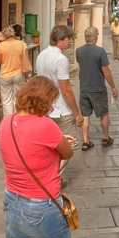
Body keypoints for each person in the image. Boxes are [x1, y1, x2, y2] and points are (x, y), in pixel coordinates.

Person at [0, 76, 74, 238]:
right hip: (40, 205)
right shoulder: (46, 125)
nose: (52, 106)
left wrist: (56, 139)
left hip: (11, 200)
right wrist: (60, 140)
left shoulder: (6, 121)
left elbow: (27, 146)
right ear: (44, 101)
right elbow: (67, 152)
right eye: (52, 101)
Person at [36, 26, 83, 175]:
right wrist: (77, 113)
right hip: (61, 109)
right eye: (68, 39)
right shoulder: (61, 59)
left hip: (45, 107)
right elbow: (66, 89)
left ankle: (49, 173)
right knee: (71, 145)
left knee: (51, 145)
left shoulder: (41, 55)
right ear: (60, 39)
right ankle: (52, 176)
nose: (70, 42)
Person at [76, 27, 118, 151]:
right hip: (98, 89)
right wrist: (113, 87)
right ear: (96, 37)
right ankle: (105, 138)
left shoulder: (78, 51)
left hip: (84, 88)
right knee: (104, 114)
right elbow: (106, 71)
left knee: (85, 115)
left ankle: (85, 141)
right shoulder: (100, 52)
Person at [0, 26, 26, 116]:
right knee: (18, 98)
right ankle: (18, 119)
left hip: (5, 75)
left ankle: (9, 121)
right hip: (19, 74)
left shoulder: (1, 45)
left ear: (4, 35)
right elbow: (26, 60)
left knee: (6, 100)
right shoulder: (22, 44)